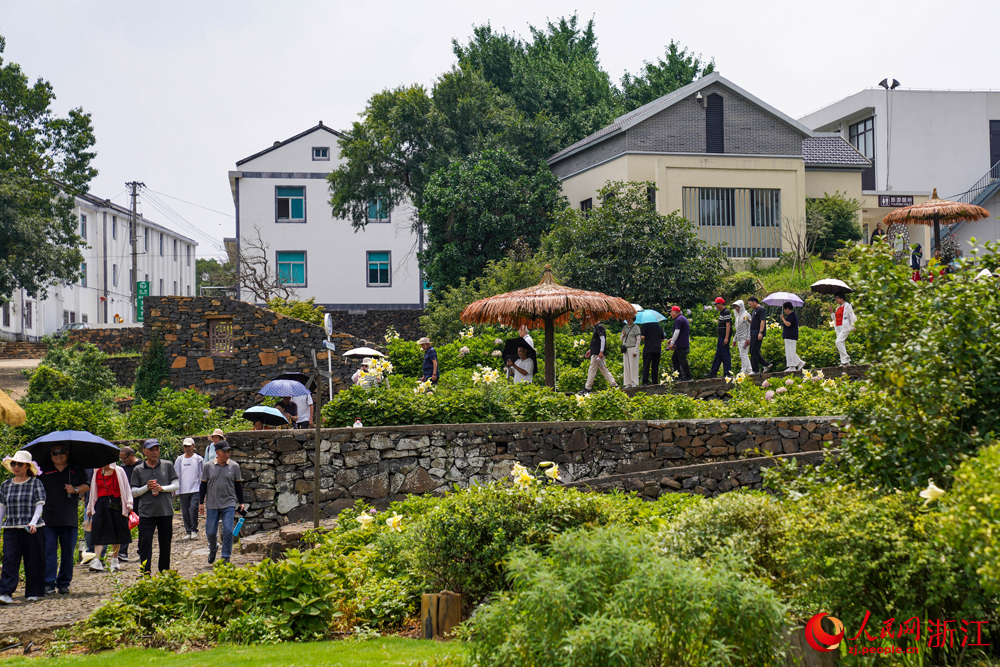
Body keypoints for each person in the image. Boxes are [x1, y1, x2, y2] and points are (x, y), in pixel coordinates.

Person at [38, 444, 89, 595]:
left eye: (61, 452)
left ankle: (64, 582)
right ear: (50, 454)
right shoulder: (43, 469)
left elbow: (87, 485)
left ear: (67, 453)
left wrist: (75, 489)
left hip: (69, 517)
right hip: (48, 518)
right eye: (54, 453)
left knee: (68, 552)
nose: (58, 455)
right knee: (49, 552)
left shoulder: (76, 468)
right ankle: (48, 582)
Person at [0, 451, 46, 604]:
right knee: (9, 559)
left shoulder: (35, 483)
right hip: (11, 526)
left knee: (33, 559)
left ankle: (33, 591)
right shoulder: (5, 485)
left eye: (20, 464)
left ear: (27, 466)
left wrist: (33, 522)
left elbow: (39, 505)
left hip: (31, 527)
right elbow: (2, 508)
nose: (16, 466)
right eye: (14, 463)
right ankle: (5, 592)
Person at [131, 439, 179, 575]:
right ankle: (145, 572)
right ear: (144, 451)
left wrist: (162, 488)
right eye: (151, 449)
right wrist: (147, 487)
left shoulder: (167, 465)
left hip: (165, 511)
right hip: (146, 512)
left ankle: (164, 571)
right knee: (145, 543)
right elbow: (133, 492)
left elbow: (176, 485)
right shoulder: (138, 469)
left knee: (165, 543)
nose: (154, 452)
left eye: (157, 449)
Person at [199, 441, 244, 565]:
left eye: (228, 451)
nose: (227, 454)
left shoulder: (234, 466)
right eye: (224, 451)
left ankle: (226, 557)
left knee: (228, 530)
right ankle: (213, 548)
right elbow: (203, 485)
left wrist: (241, 502)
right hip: (212, 504)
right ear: (217, 452)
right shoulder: (208, 466)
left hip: (228, 503)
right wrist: (201, 503)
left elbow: (238, 485)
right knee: (210, 532)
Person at [85, 462, 132, 572]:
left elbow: (126, 487)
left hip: (116, 503)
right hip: (101, 503)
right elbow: (93, 491)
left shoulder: (119, 471)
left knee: (117, 531)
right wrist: (90, 507)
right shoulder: (97, 472)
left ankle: (115, 559)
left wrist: (129, 503)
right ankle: (97, 560)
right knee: (99, 530)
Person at [175, 438, 204, 540]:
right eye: (185, 446)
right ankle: (188, 531)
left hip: (195, 489)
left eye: (189, 446)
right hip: (183, 489)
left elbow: (202, 474)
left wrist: (203, 489)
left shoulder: (198, 459)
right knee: (185, 512)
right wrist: (175, 488)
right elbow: (176, 474)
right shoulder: (179, 460)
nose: (187, 448)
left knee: (193, 509)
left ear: (193, 446)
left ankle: (193, 530)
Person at [115, 447, 139, 563]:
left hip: (140, 500)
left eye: (124, 458)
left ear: (131, 455)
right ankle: (122, 552)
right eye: (121, 458)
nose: (122, 461)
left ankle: (142, 551)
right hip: (125, 501)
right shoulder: (121, 469)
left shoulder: (141, 466)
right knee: (124, 526)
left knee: (143, 526)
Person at [583, 319, 619, 392]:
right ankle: (614, 385)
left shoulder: (599, 327)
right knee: (603, 369)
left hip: (597, 354)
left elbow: (603, 339)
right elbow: (597, 341)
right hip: (596, 352)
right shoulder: (597, 327)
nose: (590, 321)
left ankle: (588, 388)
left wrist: (601, 351)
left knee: (592, 369)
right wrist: (591, 350)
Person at [706, 297, 732, 378]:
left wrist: (726, 338)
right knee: (718, 355)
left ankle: (727, 373)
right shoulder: (722, 312)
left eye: (717, 304)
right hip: (721, 336)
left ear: (721, 304)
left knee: (725, 354)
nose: (716, 306)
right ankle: (713, 372)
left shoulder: (726, 312)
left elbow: (728, 325)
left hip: (724, 337)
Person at [747, 297, 773, 374]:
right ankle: (766, 364)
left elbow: (763, 320)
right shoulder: (754, 311)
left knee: (754, 351)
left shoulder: (760, 309)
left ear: (754, 302)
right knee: (753, 351)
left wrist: (760, 332)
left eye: (750, 304)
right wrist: (749, 321)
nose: (749, 305)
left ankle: (755, 370)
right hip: (753, 332)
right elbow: (756, 321)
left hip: (757, 333)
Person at [666, 306, 693, 382]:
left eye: (671, 312)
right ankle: (678, 376)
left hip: (681, 343)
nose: (671, 314)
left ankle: (686, 376)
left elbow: (677, 332)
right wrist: (672, 339)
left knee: (681, 360)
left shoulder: (679, 320)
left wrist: (672, 343)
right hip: (682, 342)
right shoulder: (682, 318)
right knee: (675, 359)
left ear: (675, 312)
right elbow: (681, 332)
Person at [779, 302, 805, 372]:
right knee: (790, 351)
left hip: (790, 336)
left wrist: (783, 319)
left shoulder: (791, 316)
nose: (784, 311)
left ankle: (792, 366)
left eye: (784, 309)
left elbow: (788, 324)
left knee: (790, 351)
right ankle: (799, 363)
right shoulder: (791, 315)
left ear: (787, 309)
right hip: (789, 336)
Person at [832, 293, 856, 366]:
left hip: (845, 326)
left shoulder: (847, 306)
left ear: (842, 298)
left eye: (837, 298)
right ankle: (845, 362)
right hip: (838, 327)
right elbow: (834, 318)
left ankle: (846, 357)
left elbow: (852, 315)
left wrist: (854, 326)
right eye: (836, 298)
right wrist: (831, 312)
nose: (836, 300)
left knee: (838, 341)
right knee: (841, 343)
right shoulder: (837, 308)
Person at [640, 318, 665, 386]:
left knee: (646, 365)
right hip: (657, 348)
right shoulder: (658, 325)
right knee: (655, 366)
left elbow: (642, 337)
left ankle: (645, 382)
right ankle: (655, 381)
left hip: (648, 348)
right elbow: (662, 339)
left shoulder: (645, 324)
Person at [731, 300, 752, 375]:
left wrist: (748, 338)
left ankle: (743, 371)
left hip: (745, 338)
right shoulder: (738, 316)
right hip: (739, 338)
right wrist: (734, 339)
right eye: (735, 307)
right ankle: (750, 370)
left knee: (743, 355)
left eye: (738, 306)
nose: (736, 308)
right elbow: (738, 328)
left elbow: (750, 327)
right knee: (743, 355)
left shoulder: (746, 314)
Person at [620, 315, 641, 388]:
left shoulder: (636, 327)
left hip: (633, 347)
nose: (628, 320)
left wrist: (636, 349)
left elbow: (638, 339)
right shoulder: (624, 327)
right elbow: (621, 339)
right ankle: (628, 383)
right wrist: (623, 335)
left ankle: (634, 382)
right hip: (625, 348)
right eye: (627, 318)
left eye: (630, 318)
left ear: (633, 319)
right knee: (626, 366)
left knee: (633, 365)